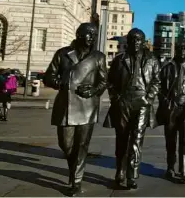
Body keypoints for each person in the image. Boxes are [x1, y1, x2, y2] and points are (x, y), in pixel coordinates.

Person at [43, 22, 108, 197]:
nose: (92, 38)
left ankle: (76, 181)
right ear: (79, 35)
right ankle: (75, 170)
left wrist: (94, 90)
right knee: (65, 144)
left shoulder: (99, 57)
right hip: (65, 105)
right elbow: (49, 76)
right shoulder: (63, 54)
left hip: (87, 107)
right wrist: (59, 82)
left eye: (94, 35)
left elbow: (103, 82)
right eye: (89, 34)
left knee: (81, 145)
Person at [103, 28, 161, 190]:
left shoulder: (152, 60)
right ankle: (120, 172)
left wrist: (148, 99)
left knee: (136, 139)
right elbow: (110, 82)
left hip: (142, 102)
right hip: (124, 102)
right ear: (128, 41)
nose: (136, 42)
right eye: (133, 39)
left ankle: (132, 175)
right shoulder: (119, 59)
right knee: (121, 139)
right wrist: (116, 98)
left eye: (139, 40)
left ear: (143, 42)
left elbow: (157, 82)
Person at [156, 41, 185, 184]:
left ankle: (184, 170)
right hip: (171, 107)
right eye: (180, 48)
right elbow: (159, 86)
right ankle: (170, 167)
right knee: (170, 140)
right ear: (176, 50)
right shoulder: (168, 67)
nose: (183, 50)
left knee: (184, 140)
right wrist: (165, 101)